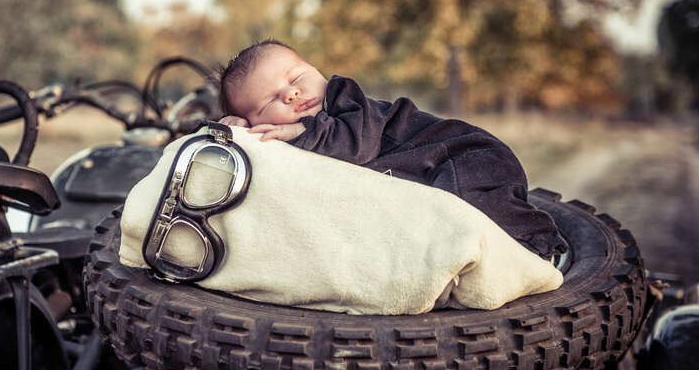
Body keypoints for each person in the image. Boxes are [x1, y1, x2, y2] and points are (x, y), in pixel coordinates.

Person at [217, 39, 565, 259]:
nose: (291, 94)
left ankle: (539, 242)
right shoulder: (286, 143)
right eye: (270, 102)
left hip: (463, 155)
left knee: (462, 211)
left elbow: (355, 147)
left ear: (316, 70)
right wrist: (239, 132)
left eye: (296, 78)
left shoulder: (345, 100)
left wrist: (299, 130)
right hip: (425, 175)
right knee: (434, 226)